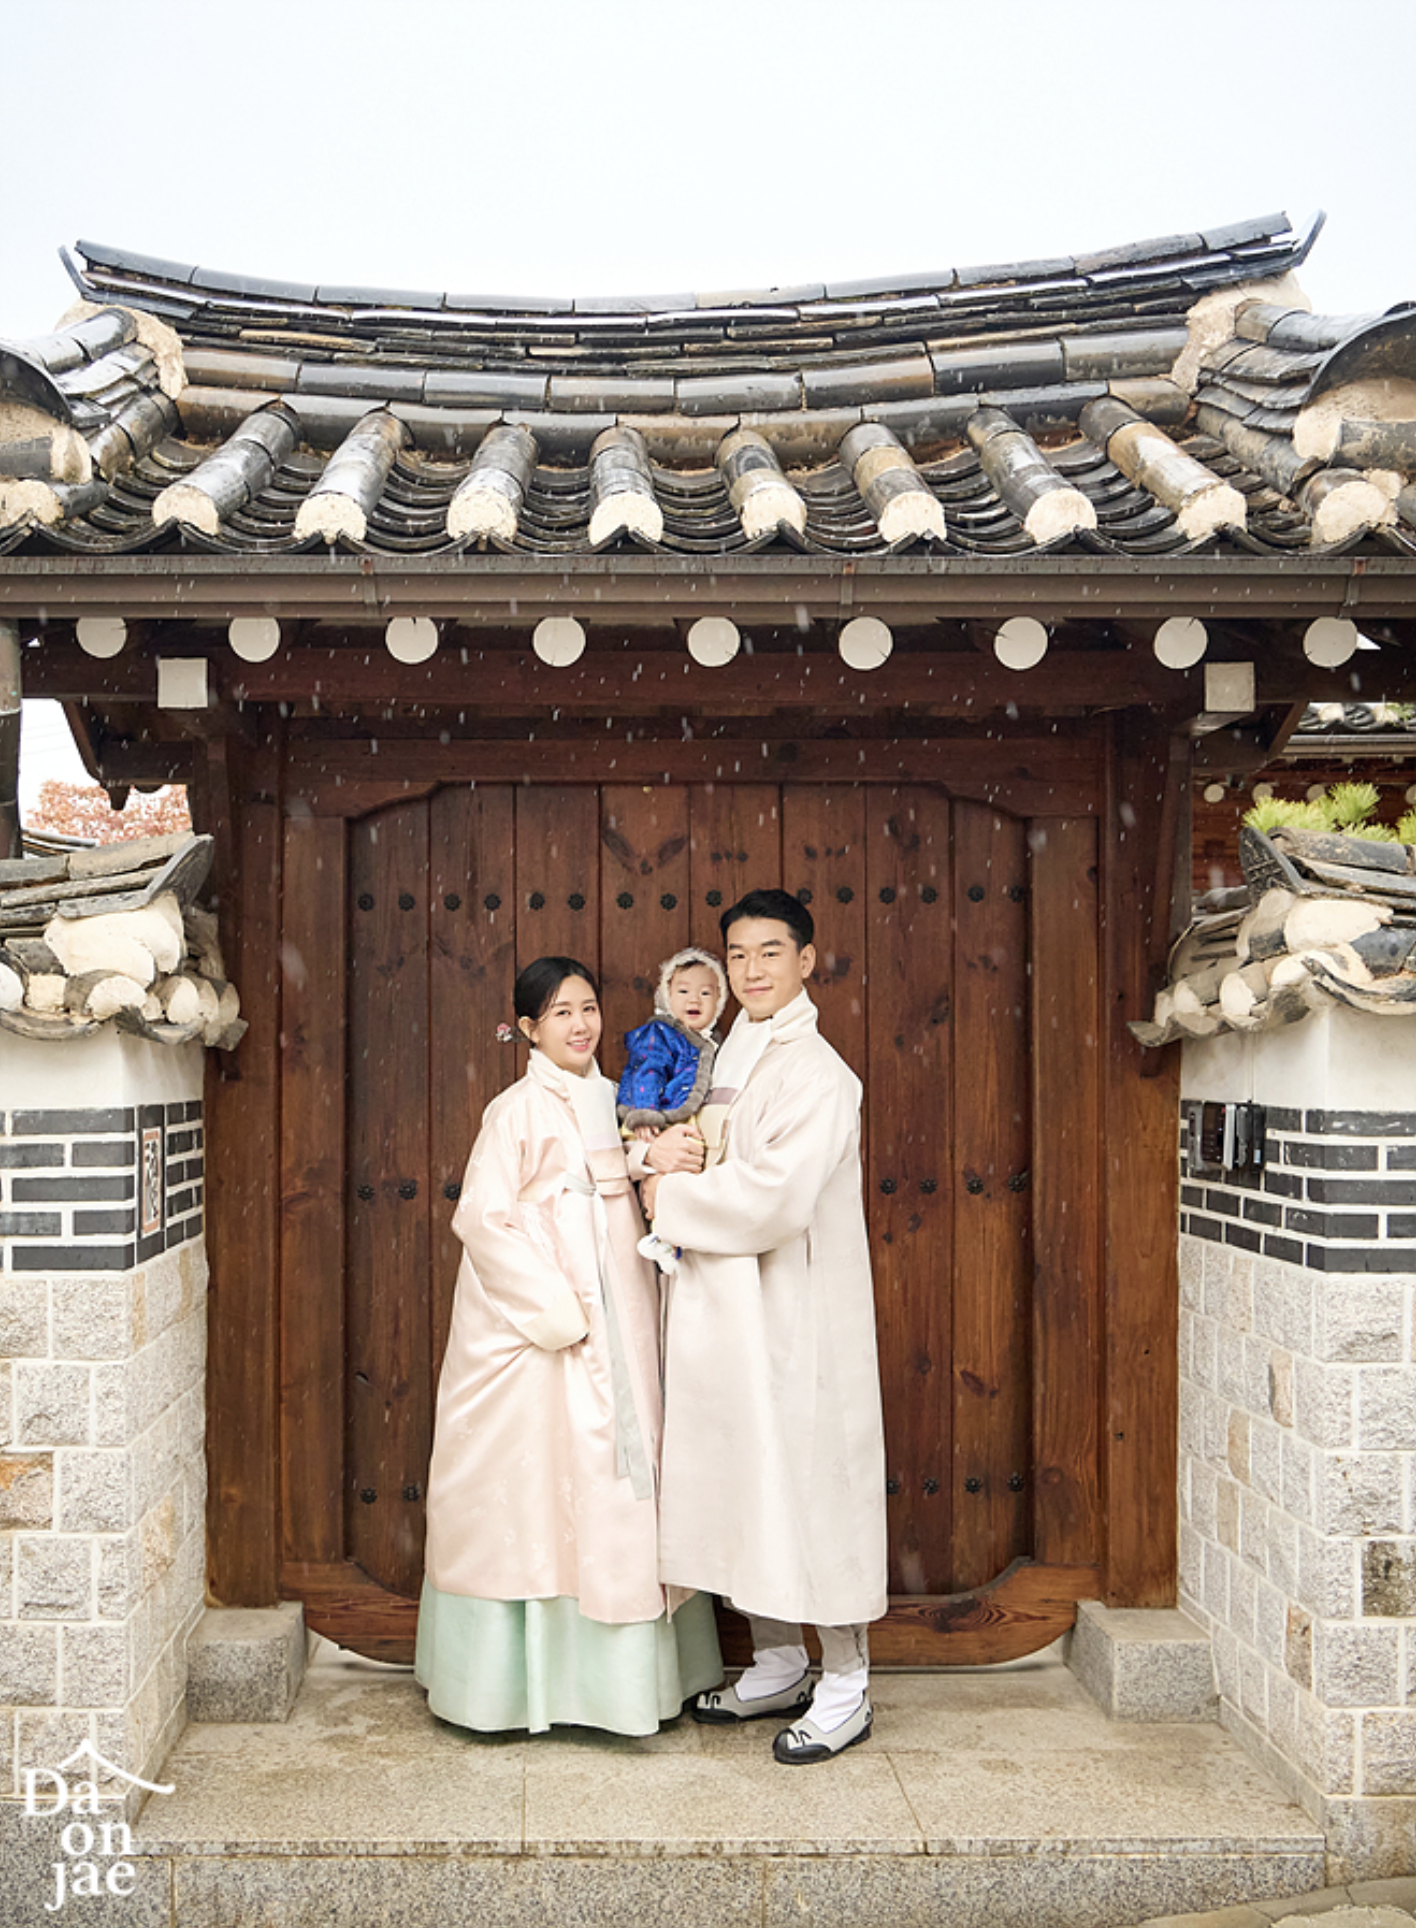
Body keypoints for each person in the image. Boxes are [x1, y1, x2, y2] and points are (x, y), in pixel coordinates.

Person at [415, 955, 721, 1737]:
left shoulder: (613, 1096)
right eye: (559, 1013)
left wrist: (652, 1157)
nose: (580, 1025)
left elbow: (616, 1163)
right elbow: (483, 1218)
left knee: (616, 1477)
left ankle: (617, 1682)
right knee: (533, 1485)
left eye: (587, 1008)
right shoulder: (514, 1110)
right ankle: (514, 1685)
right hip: (541, 1329)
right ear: (528, 1029)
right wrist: (553, 1308)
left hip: (618, 1309)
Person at [640, 889, 888, 1765]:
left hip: (795, 1311)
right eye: (738, 954)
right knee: (746, 1486)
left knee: (813, 1489)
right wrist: (655, 1153)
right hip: (725, 1307)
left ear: (807, 960)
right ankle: (779, 1662)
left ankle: (847, 1682)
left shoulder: (819, 1073)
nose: (751, 971)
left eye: (770, 953)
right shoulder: (731, 1047)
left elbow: (775, 1198)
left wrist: (668, 1196)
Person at [616, 946, 729, 1272]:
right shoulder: (661, 1034)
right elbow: (647, 1070)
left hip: (678, 1117)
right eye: (683, 991)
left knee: (681, 1173)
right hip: (656, 1119)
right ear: (667, 995)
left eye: (706, 993)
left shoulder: (709, 1041)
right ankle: (661, 1236)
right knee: (666, 1173)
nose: (694, 1000)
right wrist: (645, 1113)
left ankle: (671, 1238)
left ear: (719, 1000)